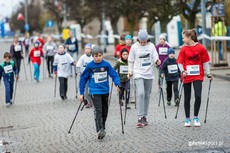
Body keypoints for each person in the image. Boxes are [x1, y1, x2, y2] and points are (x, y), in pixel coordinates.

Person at [79, 46, 120, 140]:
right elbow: (83, 79)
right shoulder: (90, 66)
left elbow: (114, 74)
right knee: (98, 110)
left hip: (105, 91)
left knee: (105, 110)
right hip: (94, 91)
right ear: (93, 56)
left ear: (102, 55)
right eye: (96, 56)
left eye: (100, 55)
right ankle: (99, 129)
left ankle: (103, 126)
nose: (98, 58)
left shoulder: (106, 64)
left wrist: (117, 84)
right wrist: (81, 93)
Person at [177, 29, 213, 127]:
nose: (182, 39)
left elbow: (205, 61)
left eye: (183, 37)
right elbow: (179, 62)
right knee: (187, 97)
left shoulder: (201, 48)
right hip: (187, 76)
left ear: (189, 37)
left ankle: (196, 117)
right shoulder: (183, 49)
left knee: (198, 95)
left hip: (198, 75)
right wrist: (183, 71)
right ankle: (187, 118)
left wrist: (208, 73)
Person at [128, 29, 161, 128]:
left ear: (147, 40)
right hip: (138, 72)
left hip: (149, 73)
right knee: (141, 93)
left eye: (144, 42)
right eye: (141, 42)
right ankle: (139, 117)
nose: (143, 43)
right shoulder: (134, 47)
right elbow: (130, 60)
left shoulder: (151, 46)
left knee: (147, 95)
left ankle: (144, 116)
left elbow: (155, 57)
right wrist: (130, 71)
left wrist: (157, 61)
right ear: (138, 40)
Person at [76, 43, 94, 108]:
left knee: (91, 89)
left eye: (88, 49)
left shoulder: (93, 57)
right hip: (85, 76)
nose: (87, 50)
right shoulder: (83, 57)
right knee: (86, 90)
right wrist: (79, 72)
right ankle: (89, 102)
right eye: (86, 49)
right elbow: (78, 65)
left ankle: (94, 100)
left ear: (91, 50)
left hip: (92, 76)